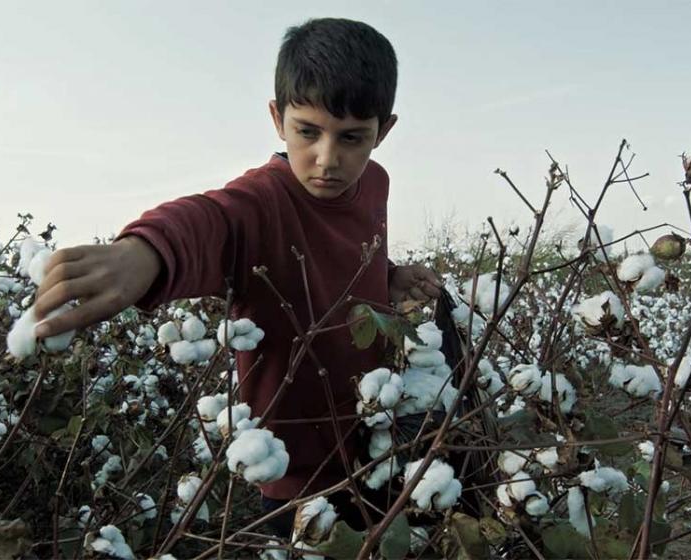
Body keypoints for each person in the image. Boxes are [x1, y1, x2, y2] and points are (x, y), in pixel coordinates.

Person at [33, 17, 442, 535]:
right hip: (292, 470)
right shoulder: (261, 201)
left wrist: (389, 276)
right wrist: (146, 252)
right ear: (277, 119)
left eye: (353, 138)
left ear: (384, 131)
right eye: (307, 132)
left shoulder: (376, 182)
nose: (327, 159)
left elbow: (345, 258)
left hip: (379, 438)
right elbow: (210, 220)